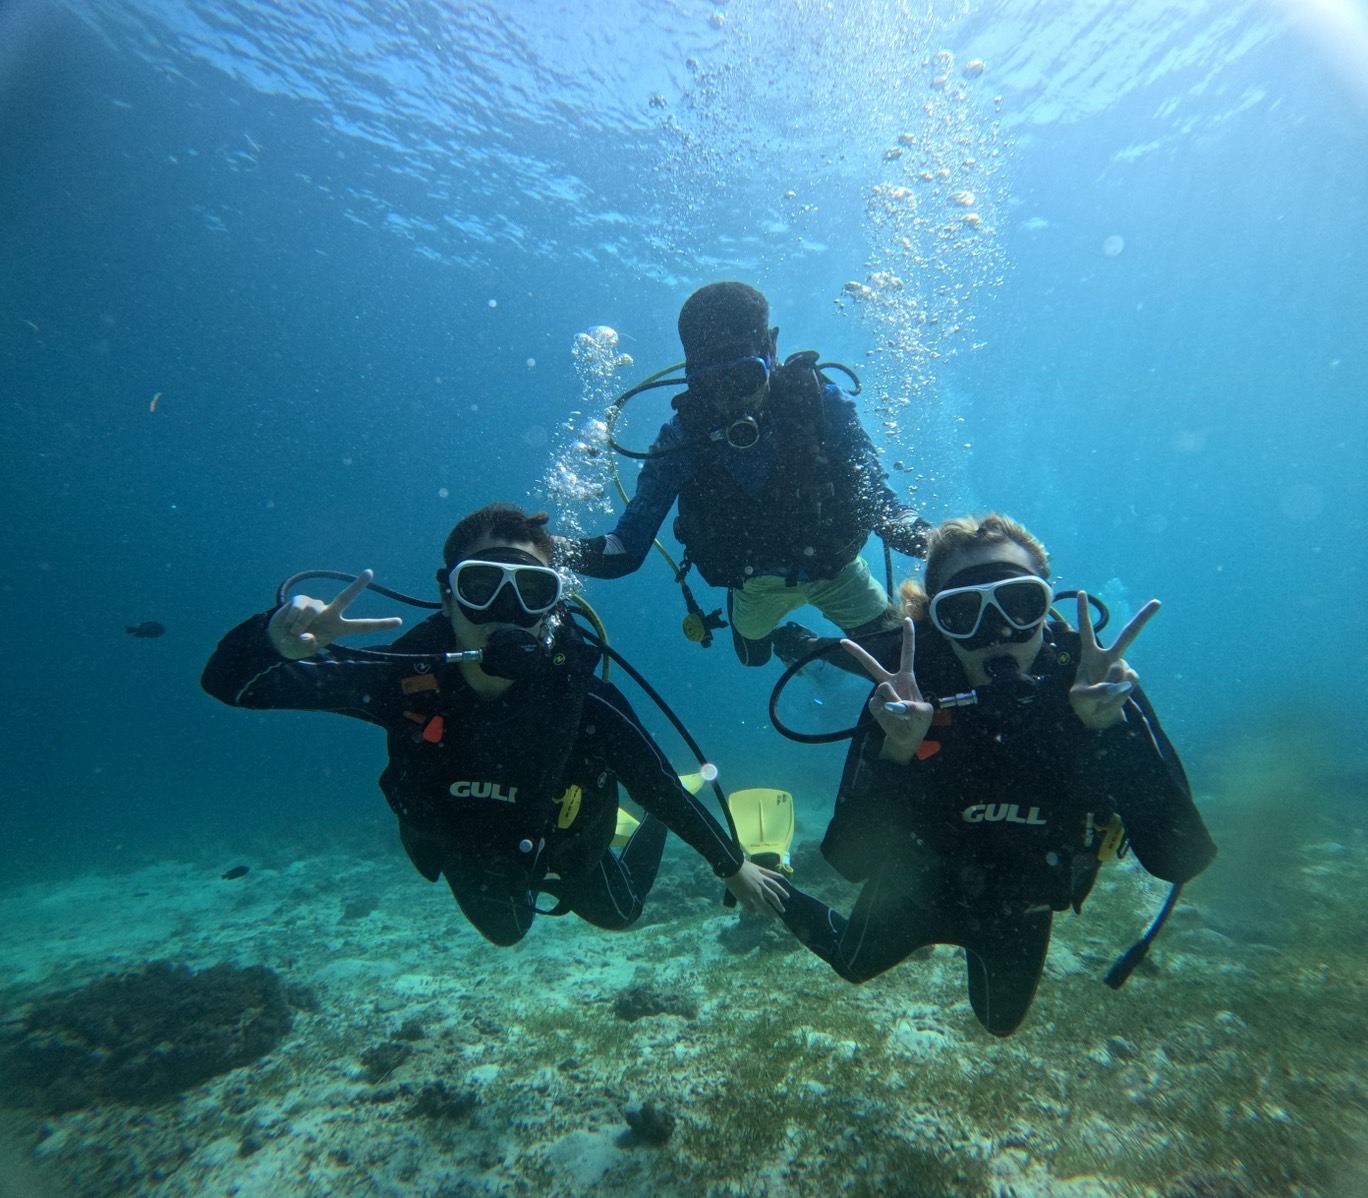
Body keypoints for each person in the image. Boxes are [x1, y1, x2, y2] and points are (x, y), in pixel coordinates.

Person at [201, 503, 792, 947]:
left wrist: (731, 865)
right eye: (481, 586)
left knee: (623, 915)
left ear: (553, 606)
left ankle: (642, 831)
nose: (506, 611)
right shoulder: (399, 680)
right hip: (467, 852)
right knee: (506, 935)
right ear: (447, 597)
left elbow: (654, 783)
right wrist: (273, 638)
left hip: (569, 841)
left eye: (531, 590)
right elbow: (232, 684)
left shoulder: (583, 700)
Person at [775, 513, 1218, 1036]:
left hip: (1021, 901)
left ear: (1046, 606)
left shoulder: (1092, 680)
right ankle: (767, 885)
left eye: (1020, 603)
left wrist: (1109, 730)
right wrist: (898, 749)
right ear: (937, 620)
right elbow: (849, 861)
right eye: (964, 611)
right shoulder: (909, 691)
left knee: (1000, 1023)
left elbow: (1179, 858)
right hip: (915, 883)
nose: (997, 632)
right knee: (852, 964)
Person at [562, 281, 931, 667]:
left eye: (743, 376)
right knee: (753, 658)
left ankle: (802, 645)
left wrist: (939, 542)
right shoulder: (681, 439)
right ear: (691, 374)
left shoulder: (822, 405)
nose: (729, 399)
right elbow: (625, 549)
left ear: (771, 348)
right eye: (710, 383)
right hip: (754, 585)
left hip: (834, 570)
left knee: (898, 659)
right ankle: (784, 640)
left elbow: (881, 503)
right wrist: (543, 546)